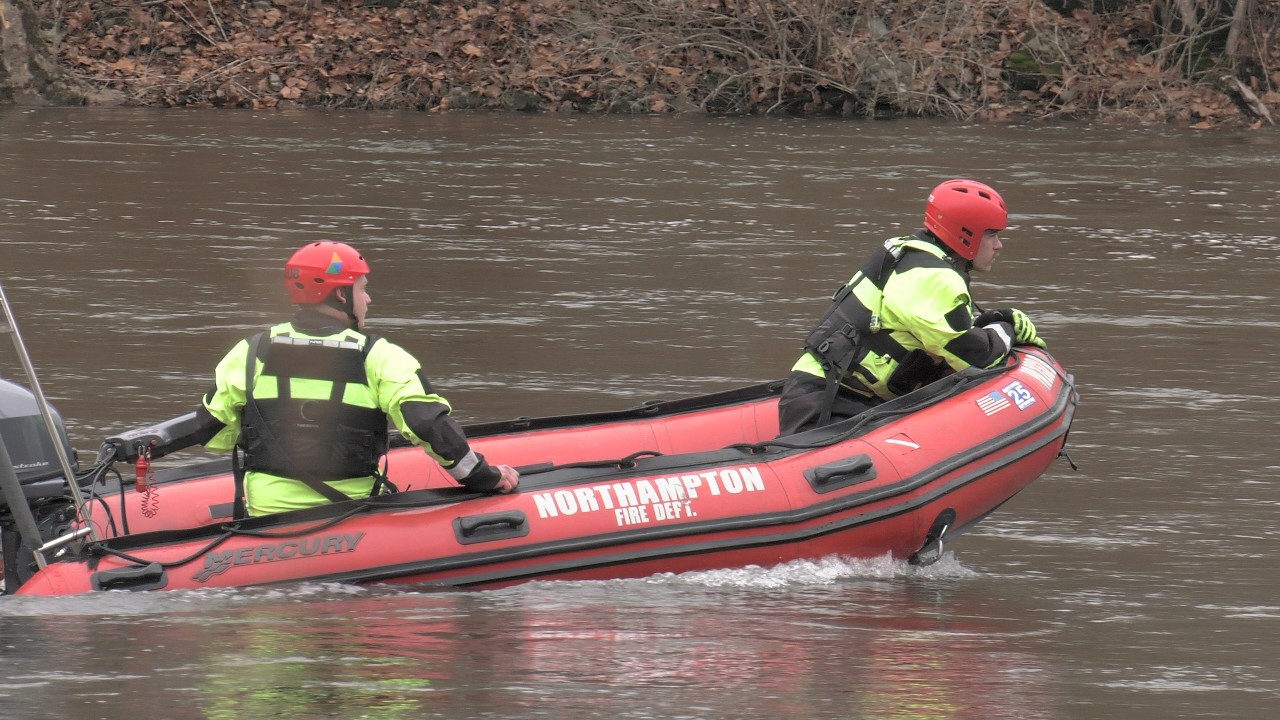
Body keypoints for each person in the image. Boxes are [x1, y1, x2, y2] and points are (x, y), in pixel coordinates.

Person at [105, 241, 519, 516]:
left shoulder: (250, 352)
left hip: (265, 516)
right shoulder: (380, 356)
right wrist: (485, 478)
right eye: (362, 288)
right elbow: (427, 424)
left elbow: (211, 426)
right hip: (350, 513)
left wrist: (143, 447)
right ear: (340, 295)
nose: (368, 298)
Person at [776, 179, 1046, 436]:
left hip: (831, 393)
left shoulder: (911, 254)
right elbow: (976, 357)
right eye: (992, 235)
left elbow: (940, 333)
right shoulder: (935, 278)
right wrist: (1007, 328)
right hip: (831, 401)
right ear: (967, 234)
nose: (998, 245)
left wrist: (989, 322)